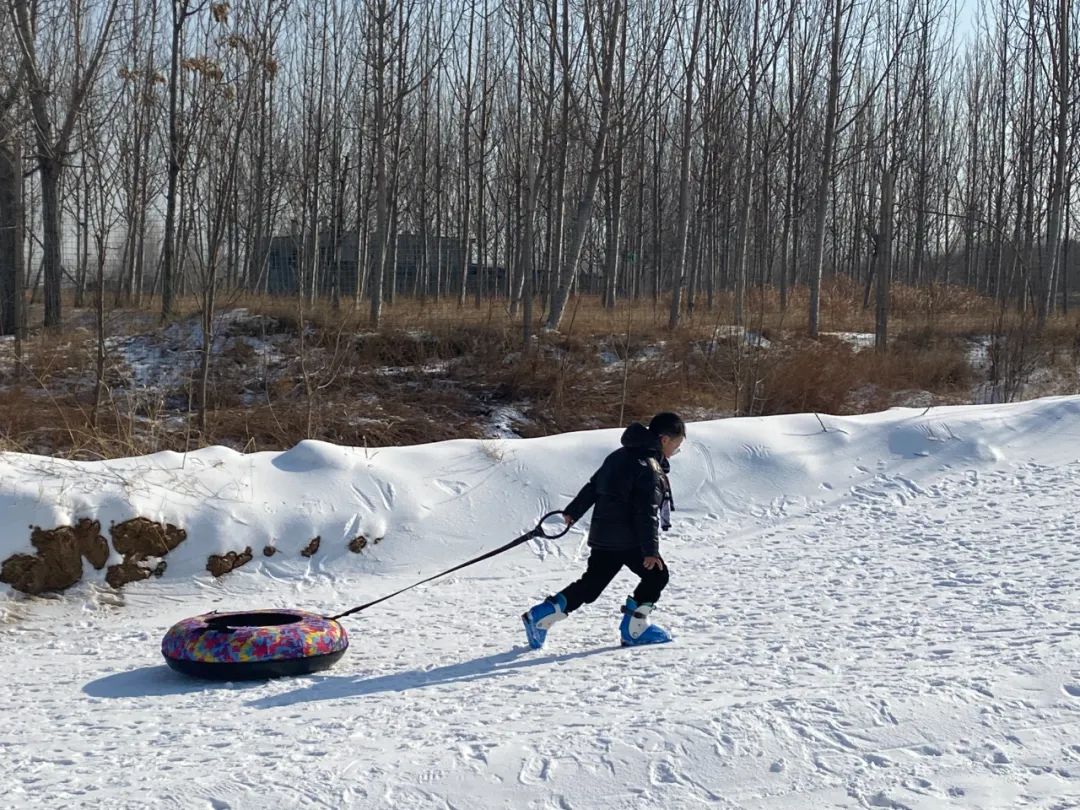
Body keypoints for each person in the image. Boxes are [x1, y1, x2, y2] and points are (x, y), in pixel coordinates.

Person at [522, 412, 685, 649]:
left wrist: (572, 512)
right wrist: (651, 551)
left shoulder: (619, 455)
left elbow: (593, 486)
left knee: (592, 584)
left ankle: (541, 616)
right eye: (676, 446)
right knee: (657, 574)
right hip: (628, 539)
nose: (674, 452)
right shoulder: (649, 468)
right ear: (664, 440)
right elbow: (646, 512)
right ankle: (635, 630)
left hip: (603, 535)